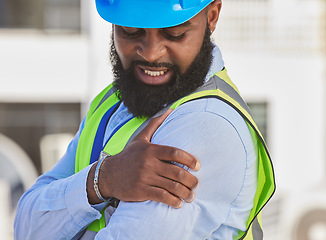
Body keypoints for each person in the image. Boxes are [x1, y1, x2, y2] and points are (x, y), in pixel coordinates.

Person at [14, 0, 275, 239]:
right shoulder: (112, 102)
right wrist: (103, 179)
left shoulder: (207, 124)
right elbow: (27, 227)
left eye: (174, 33)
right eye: (131, 31)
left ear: (212, 16)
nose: (151, 53)